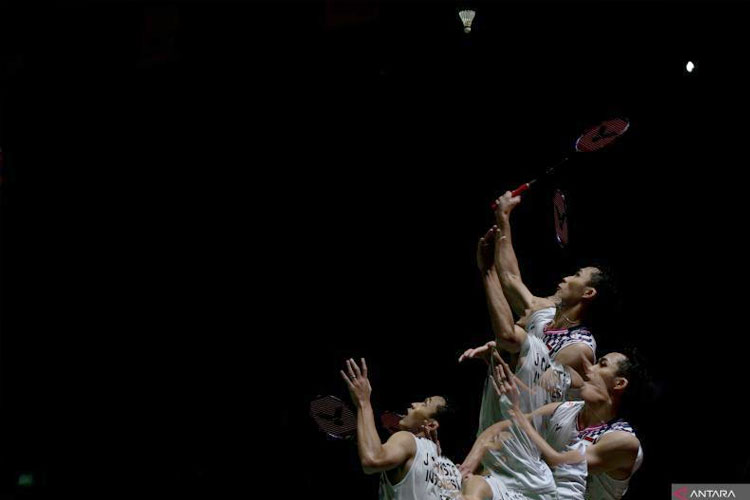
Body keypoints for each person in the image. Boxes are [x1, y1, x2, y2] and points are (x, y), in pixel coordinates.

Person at [466, 352, 643, 500]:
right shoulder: (564, 409)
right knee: (475, 484)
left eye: (601, 365)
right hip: (535, 493)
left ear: (619, 383)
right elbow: (500, 429)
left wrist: (516, 412)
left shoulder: (625, 442)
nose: (590, 368)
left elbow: (559, 462)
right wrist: (467, 466)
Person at [340, 358, 462, 500]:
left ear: (431, 425)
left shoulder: (407, 440)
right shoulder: (451, 472)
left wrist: (363, 402)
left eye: (424, 403)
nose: (414, 404)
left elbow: (372, 460)